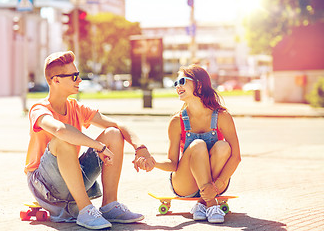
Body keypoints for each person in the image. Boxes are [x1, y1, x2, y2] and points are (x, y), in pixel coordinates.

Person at [24, 51, 155, 229]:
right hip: (45, 184)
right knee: (63, 139)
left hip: (72, 176)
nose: (79, 81)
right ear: (56, 80)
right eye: (74, 76)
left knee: (113, 134)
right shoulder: (38, 109)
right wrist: (97, 146)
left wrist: (140, 147)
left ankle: (110, 206)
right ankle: (86, 210)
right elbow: (60, 130)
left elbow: (118, 124)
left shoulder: (76, 107)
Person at [153, 64, 241, 223]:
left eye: (182, 81)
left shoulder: (222, 116)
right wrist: (154, 163)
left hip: (215, 186)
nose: (178, 86)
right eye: (176, 83)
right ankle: (211, 205)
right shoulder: (176, 121)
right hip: (185, 184)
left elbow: (236, 156)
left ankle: (201, 204)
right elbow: (173, 163)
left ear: (199, 84)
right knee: (198, 145)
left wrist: (217, 185)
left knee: (224, 147)